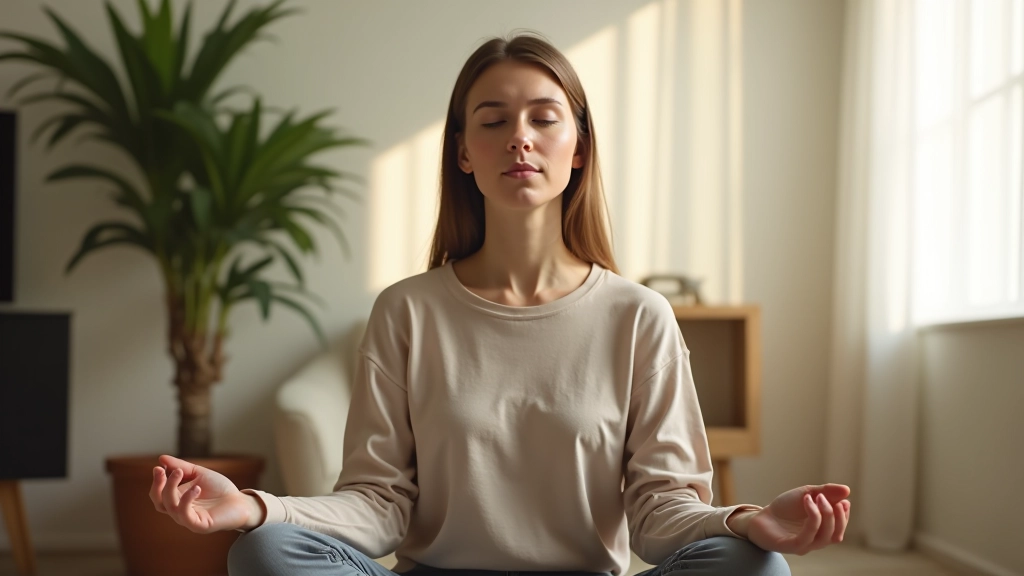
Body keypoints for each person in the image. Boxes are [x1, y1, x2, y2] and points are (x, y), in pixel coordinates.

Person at [149, 32, 850, 576]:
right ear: (463, 152)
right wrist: (255, 508)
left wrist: (747, 522)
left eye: (544, 118)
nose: (520, 136)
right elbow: (377, 504)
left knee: (757, 565)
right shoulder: (407, 312)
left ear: (579, 149)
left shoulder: (639, 317)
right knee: (264, 552)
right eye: (493, 121)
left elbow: (661, 513)